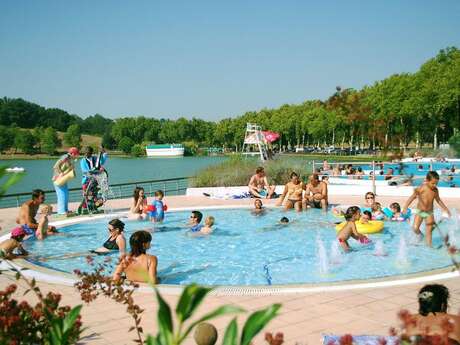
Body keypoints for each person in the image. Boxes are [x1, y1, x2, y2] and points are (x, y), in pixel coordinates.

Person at [402, 171, 451, 246]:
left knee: (429, 231)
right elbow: (412, 197)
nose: (435, 185)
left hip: (429, 213)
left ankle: (429, 246)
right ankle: (421, 236)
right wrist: (405, 207)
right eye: (433, 183)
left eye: (436, 183)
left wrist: (446, 209)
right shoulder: (421, 188)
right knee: (415, 228)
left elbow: (438, 200)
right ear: (427, 181)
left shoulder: (435, 190)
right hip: (420, 212)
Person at [52, 147, 79, 216]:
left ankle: (65, 210)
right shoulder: (66, 157)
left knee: (65, 194)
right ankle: (61, 211)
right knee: (62, 194)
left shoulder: (69, 159)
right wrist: (60, 173)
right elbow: (56, 166)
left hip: (63, 180)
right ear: (72, 153)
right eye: (76, 154)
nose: (77, 155)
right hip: (58, 179)